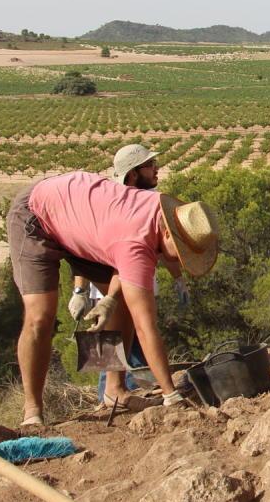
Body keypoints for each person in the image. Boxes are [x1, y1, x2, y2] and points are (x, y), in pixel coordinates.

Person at [7, 169, 219, 426]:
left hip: (81, 220)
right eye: (181, 251)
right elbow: (145, 326)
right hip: (37, 214)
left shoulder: (157, 209)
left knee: (121, 305)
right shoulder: (136, 242)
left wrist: (109, 299)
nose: (179, 260)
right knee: (40, 316)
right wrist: (170, 394)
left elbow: (124, 263)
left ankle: (113, 390)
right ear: (167, 233)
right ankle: (32, 411)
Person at [64, 144, 191, 404]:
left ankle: (123, 394)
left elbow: (168, 245)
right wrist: (79, 290)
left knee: (133, 348)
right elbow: (83, 252)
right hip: (104, 290)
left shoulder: (152, 201)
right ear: (132, 174)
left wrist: (179, 279)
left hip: (138, 285)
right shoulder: (109, 203)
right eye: (150, 166)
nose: (157, 169)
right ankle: (110, 399)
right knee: (110, 347)